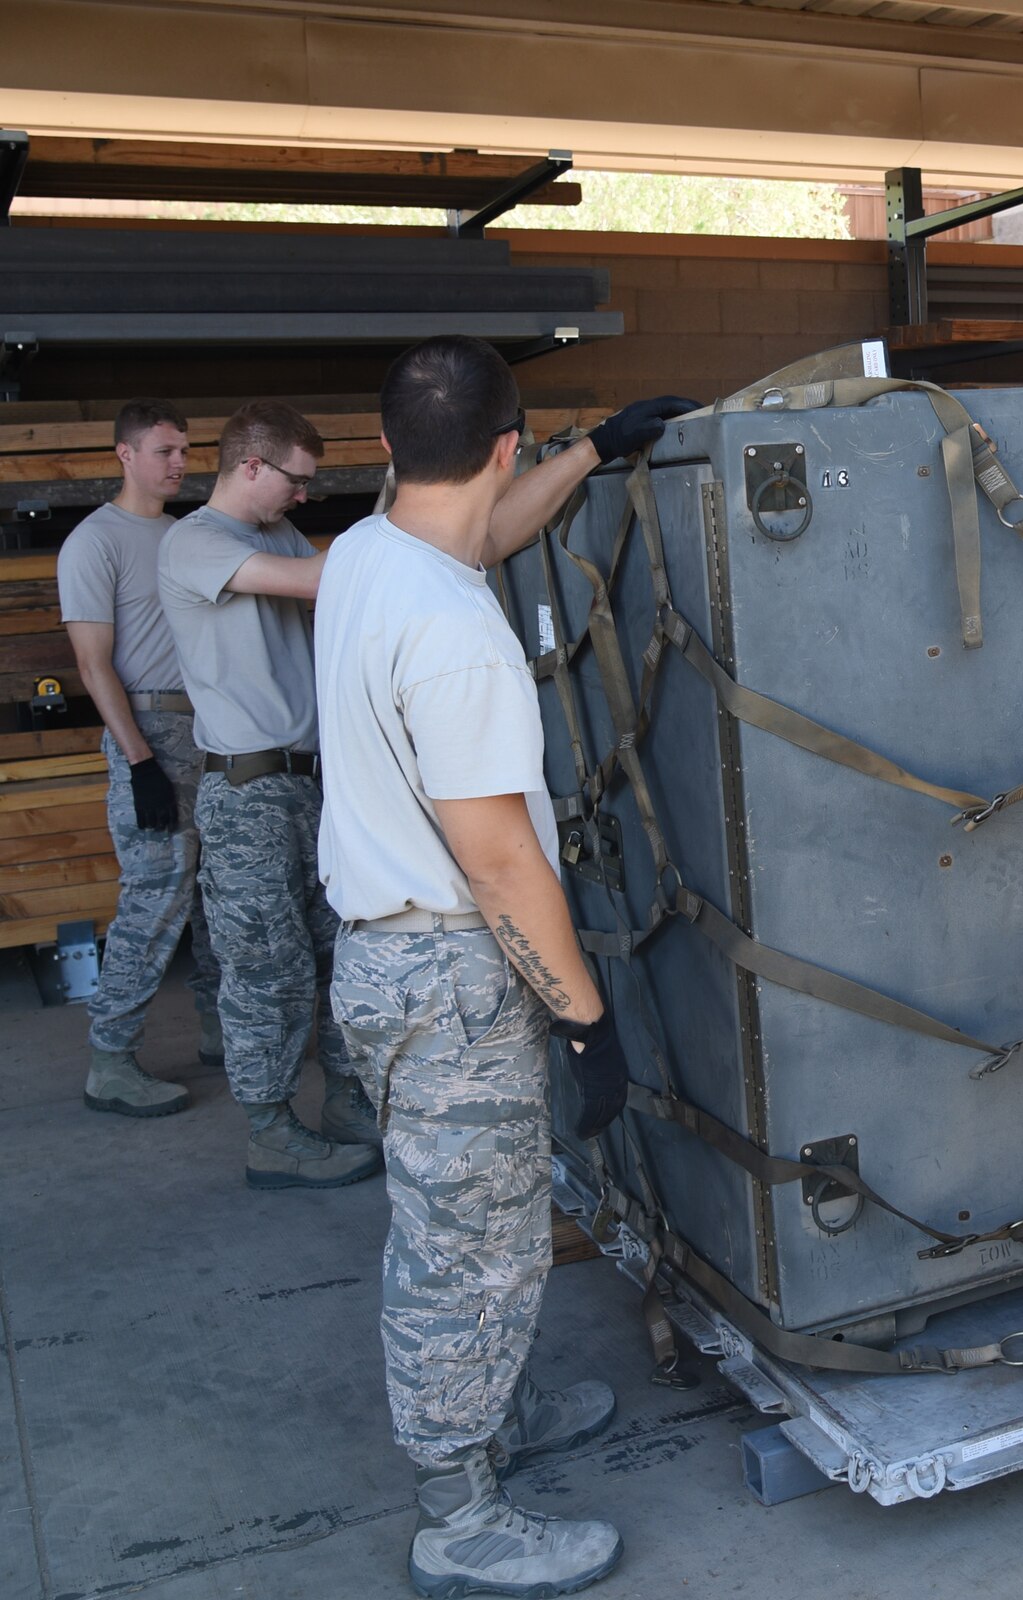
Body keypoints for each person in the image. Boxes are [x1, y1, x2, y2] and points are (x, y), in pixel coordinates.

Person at [317, 337, 693, 1598]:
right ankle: (459, 1514)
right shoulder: (453, 636)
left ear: (386, 450)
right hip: (448, 969)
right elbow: (498, 858)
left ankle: (497, 1415)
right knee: (465, 1251)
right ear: (498, 445)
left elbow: (472, 534)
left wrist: (593, 450)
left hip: (386, 964)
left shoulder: (369, 553)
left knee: (465, 1224)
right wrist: (585, 1019)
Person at [157, 400, 382, 1191]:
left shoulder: (276, 532)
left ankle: (349, 1102)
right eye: (297, 478)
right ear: (250, 465)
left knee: (335, 952)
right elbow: (323, 579)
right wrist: (403, 505)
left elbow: (333, 595)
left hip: (310, 784)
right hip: (248, 794)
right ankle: (270, 1132)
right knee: (267, 971)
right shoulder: (194, 542)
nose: (304, 495)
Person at [57, 398, 221, 1116]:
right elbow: (94, 665)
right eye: (165, 451)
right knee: (155, 899)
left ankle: (224, 1033)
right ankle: (111, 1060)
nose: (180, 463)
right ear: (125, 454)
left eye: (185, 450)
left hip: (209, 732)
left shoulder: (188, 535)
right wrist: (139, 762)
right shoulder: (95, 542)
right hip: (148, 731)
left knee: (220, 897)